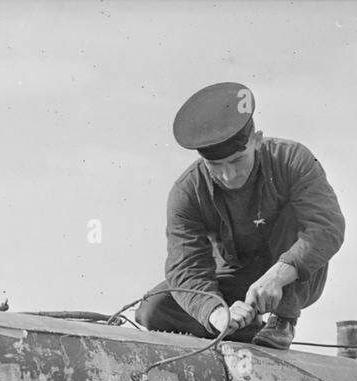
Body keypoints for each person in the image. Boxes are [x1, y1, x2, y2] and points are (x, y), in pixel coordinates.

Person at [136, 82, 345, 351]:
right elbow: (185, 266)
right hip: (233, 282)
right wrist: (217, 314)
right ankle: (244, 329)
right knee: (153, 309)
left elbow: (327, 227)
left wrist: (278, 276)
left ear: (256, 140)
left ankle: (283, 321)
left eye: (237, 161)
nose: (228, 176)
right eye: (215, 166)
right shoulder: (187, 191)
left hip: (293, 276)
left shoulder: (292, 160)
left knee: (299, 219)